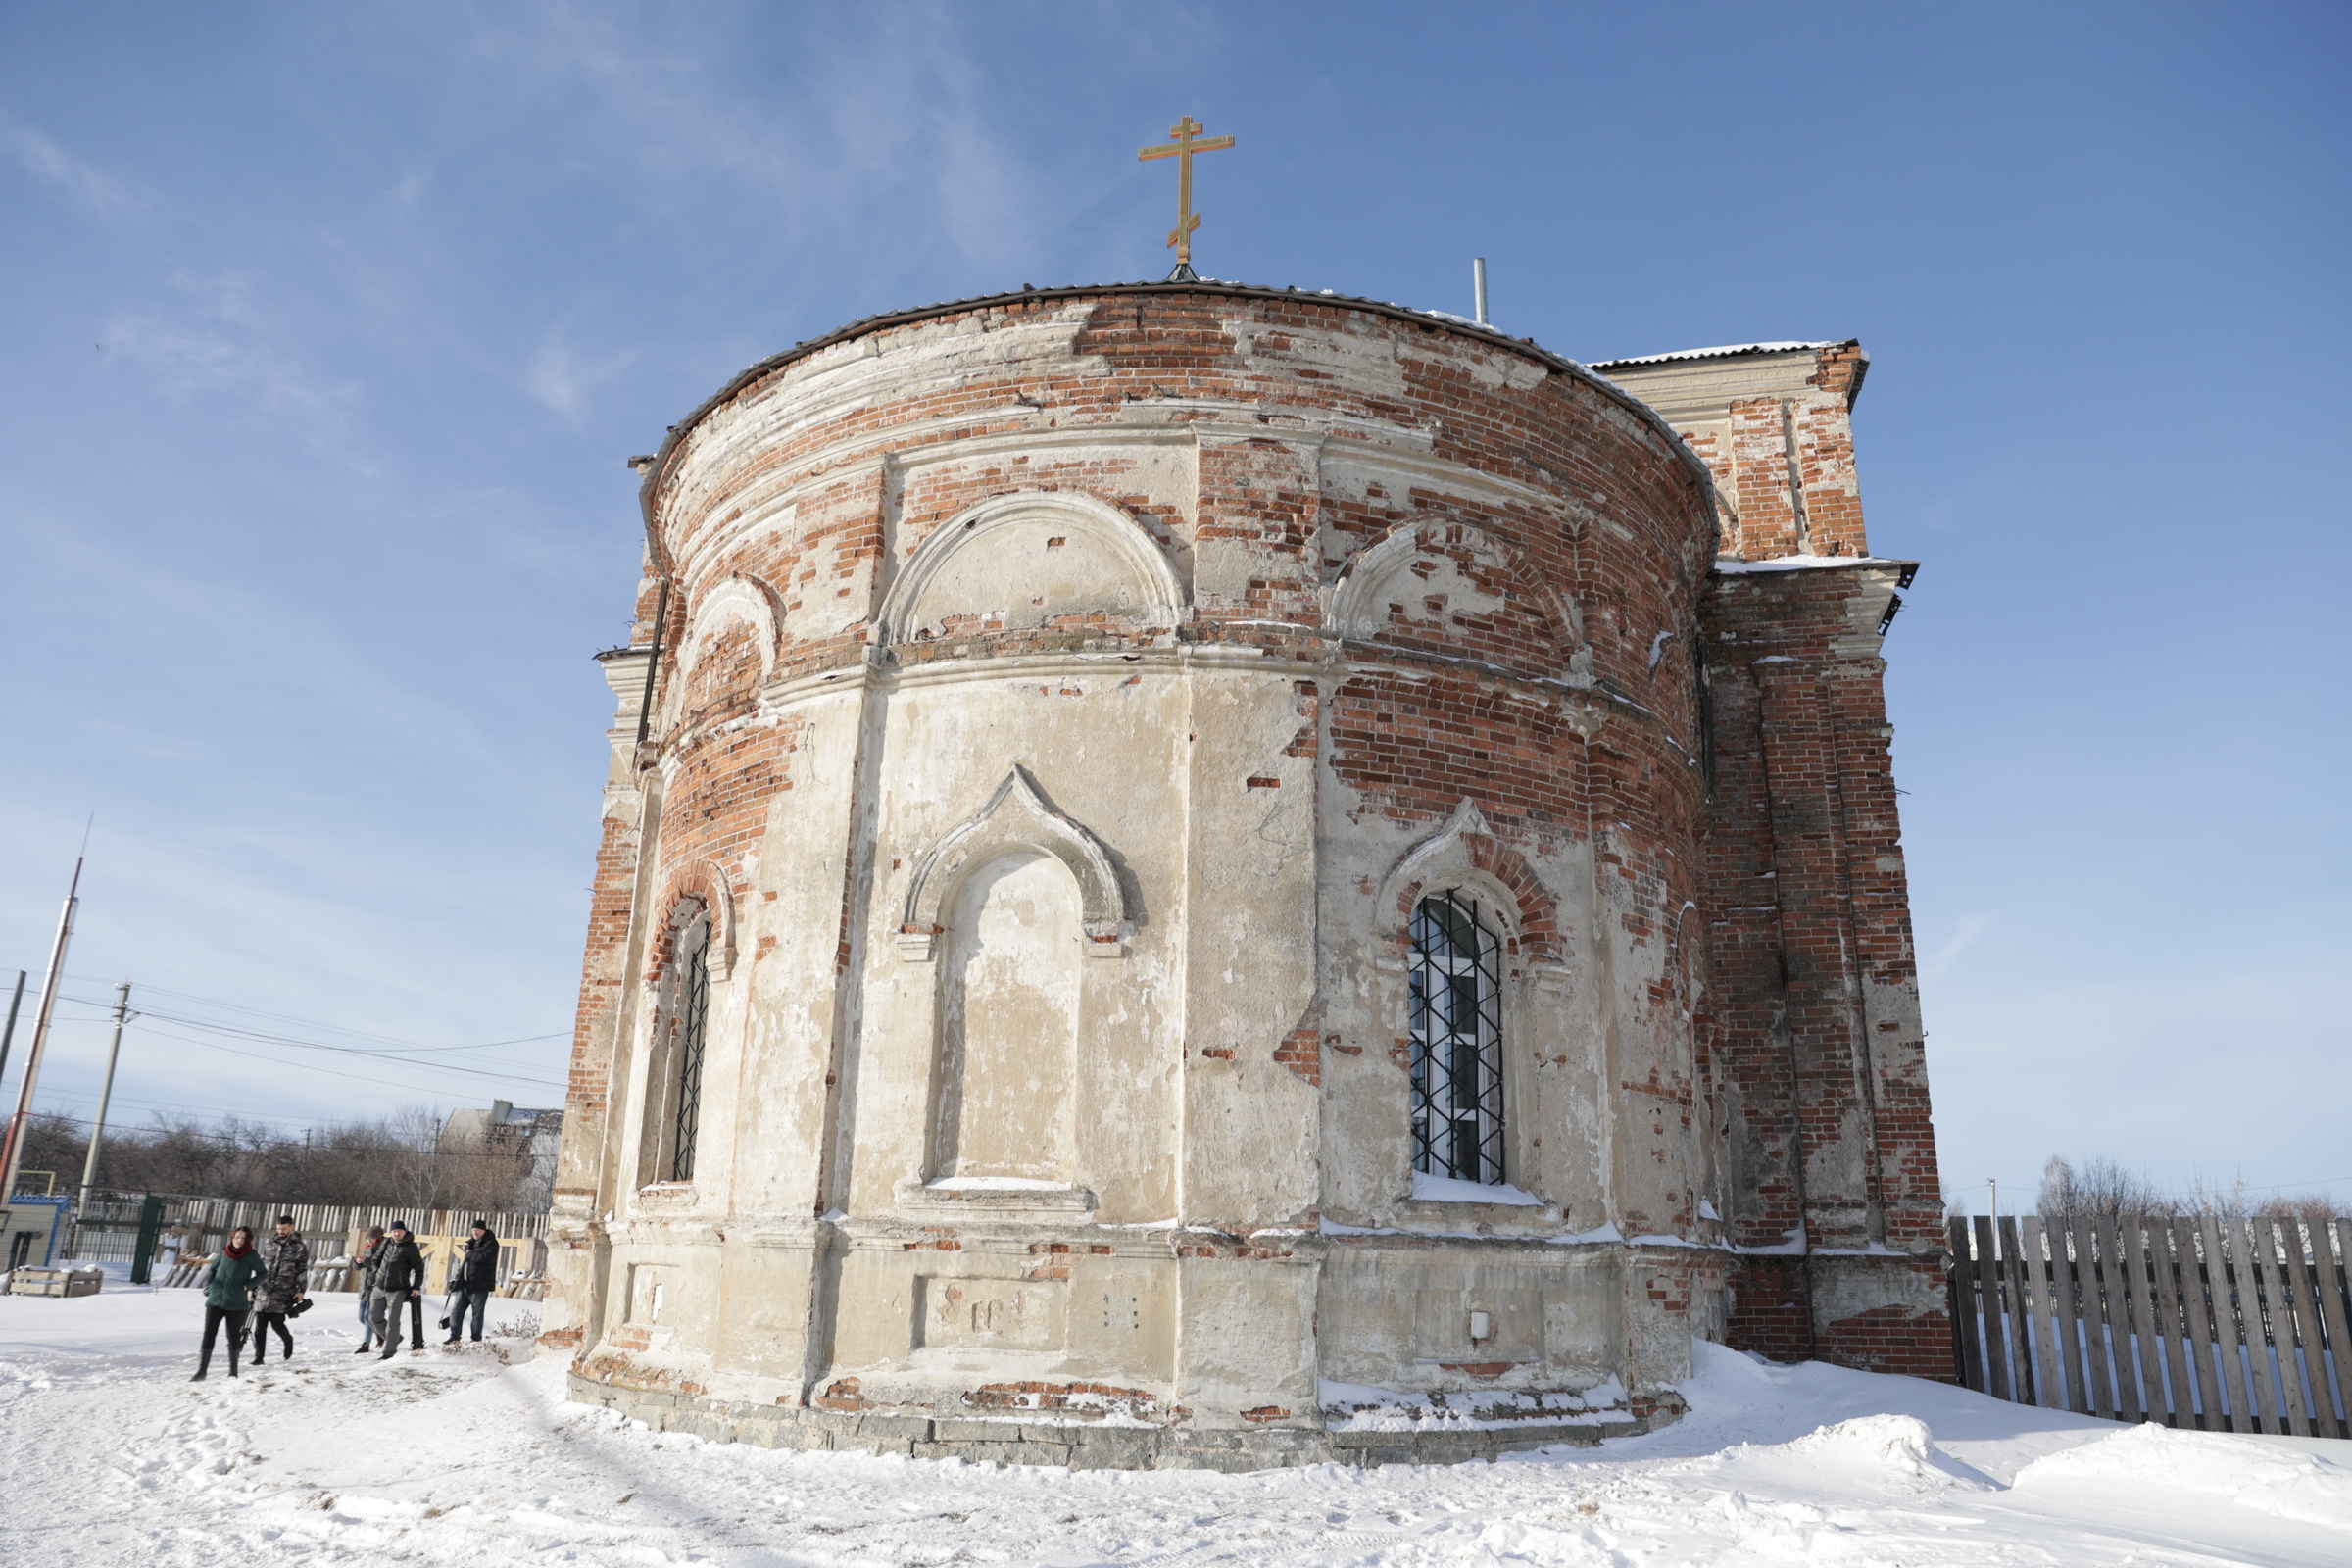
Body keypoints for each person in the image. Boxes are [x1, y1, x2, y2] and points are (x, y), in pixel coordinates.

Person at [193, 1226, 264, 1381]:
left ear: (247, 1240)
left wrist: (248, 1285)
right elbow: (212, 1270)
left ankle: (233, 1371)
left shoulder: (251, 1255)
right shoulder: (224, 1252)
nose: (239, 1240)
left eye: (243, 1238)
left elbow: (263, 1273)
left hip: (237, 1304)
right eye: (237, 1237)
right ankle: (202, 1371)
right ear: (232, 1237)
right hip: (215, 1301)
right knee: (208, 1333)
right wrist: (211, 1285)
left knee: (233, 1336)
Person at [251, 1214, 310, 1364]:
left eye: (284, 1228)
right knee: (259, 1327)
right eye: (278, 1228)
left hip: (283, 1291)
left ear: (292, 1227)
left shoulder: (299, 1247)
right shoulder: (270, 1244)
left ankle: (288, 1340)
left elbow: (301, 1270)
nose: (281, 1231)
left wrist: (301, 1290)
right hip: (264, 1290)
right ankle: (259, 1357)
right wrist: (253, 1286)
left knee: (277, 1324)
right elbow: (260, 1267)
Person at [369, 1219, 427, 1359]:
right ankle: (394, 1339)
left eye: (399, 1231)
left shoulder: (411, 1247)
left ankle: (389, 1352)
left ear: (404, 1232)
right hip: (379, 1287)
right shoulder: (387, 1243)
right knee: (373, 1318)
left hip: (397, 1290)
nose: (396, 1233)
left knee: (393, 1321)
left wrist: (416, 1286)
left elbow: (419, 1268)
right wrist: (377, 1274)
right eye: (394, 1231)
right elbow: (376, 1259)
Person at [442, 1220, 499, 1344]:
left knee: (477, 1314)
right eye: (473, 1230)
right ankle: (454, 1337)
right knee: (456, 1311)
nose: (475, 1232)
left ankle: (476, 1339)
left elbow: (488, 1258)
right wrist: (458, 1279)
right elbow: (466, 1264)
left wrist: (471, 1253)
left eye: (477, 1230)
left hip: (479, 1285)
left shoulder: (491, 1243)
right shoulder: (472, 1243)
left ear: (484, 1230)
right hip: (464, 1284)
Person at [352, 1225, 387, 1354]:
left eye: (371, 1238)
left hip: (375, 1288)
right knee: (361, 1318)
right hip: (364, 1288)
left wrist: (366, 1261)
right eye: (367, 1238)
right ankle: (380, 1333)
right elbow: (357, 1268)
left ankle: (366, 1344)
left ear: (378, 1238)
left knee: (368, 1317)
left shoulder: (383, 1249)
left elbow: (380, 1266)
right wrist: (357, 1262)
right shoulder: (367, 1248)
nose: (369, 1241)